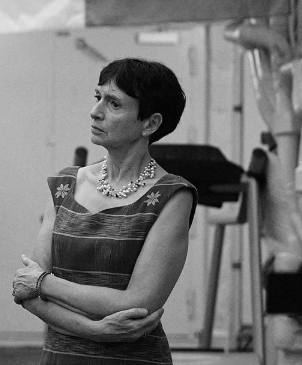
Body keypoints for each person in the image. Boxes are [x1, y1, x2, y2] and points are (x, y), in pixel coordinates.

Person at [12, 58, 197, 363]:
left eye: (114, 104)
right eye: (98, 97)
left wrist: (45, 282)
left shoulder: (172, 196)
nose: (95, 111)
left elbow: (137, 303)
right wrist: (96, 330)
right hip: (61, 357)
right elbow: (26, 294)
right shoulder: (64, 185)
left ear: (150, 123)